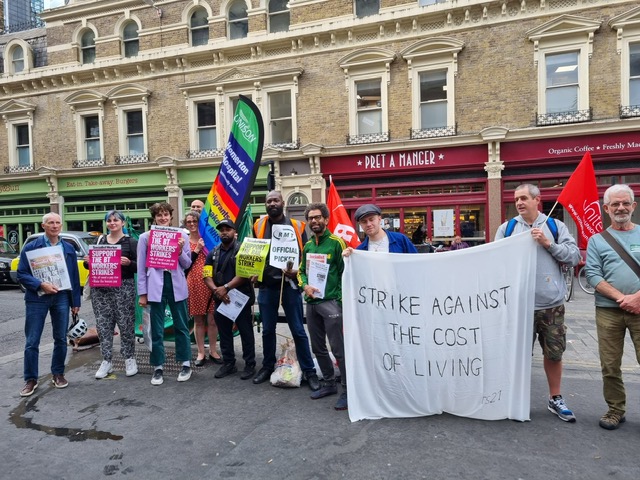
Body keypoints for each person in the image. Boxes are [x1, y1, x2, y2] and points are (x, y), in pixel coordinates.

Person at [495, 183, 580, 422]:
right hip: (518, 305)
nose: (519, 203)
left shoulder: (554, 225)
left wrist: (548, 244)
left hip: (550, 305)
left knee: (554, 354)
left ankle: (555, 398)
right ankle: (514, 397)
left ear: (537, 200)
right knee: (516, 354)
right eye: (516, 199)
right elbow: (495, 261)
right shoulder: (507, 228)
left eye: (524, 198)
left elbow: (574, 257)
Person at [252, 191, 320, 391]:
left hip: (290, 286)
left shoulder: (298, 226)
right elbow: (255, 251)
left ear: (282, 203)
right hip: (266, 287)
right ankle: (266, 366)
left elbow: (304, 256)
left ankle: (309, 371)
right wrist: (253, 273)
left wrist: (296, 273)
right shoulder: (258, 225)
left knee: (298, 330)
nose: (272, 203)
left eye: (275, 200)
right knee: (266, 331)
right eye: (268, 201)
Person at [585, 184, 640, 430]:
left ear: (633, 206)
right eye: (615, 204)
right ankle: (615, 410)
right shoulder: (597, 241)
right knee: (610, 365)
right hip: (609, 311)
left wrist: (637, 298)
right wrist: (623, 298)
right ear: (606, 209)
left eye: (625, 203)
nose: (621, 208)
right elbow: (593, 275)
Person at [17, 212, 81, 396]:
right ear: (43, 226)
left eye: (58, 222)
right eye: (51, 222)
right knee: (32, 341)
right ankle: (30, 379)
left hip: (61, 297)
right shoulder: (31, 247)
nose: (55, 225)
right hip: (37, 298)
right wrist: (40, 285)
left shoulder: (67, 248)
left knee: (60, 338)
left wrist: (75, 301)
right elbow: (21, 274)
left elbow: (74, 277)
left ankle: (58, 374)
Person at [298, 203, 348, 409]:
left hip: (331, 304)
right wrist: (305, 286)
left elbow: (348, 274)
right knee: (317, 348)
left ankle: (347, 390)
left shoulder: (337, 243)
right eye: (310, 218)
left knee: (338, 349)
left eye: (318, 217)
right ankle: (329, 383)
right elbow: (301, 271)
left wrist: (341, 302)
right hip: (311, 303)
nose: (314, 221)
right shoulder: (308, 246)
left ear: (326, 219)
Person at [137, 202, 193, 386]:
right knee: (156, 329)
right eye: (159, 215)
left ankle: (185, 363)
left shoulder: (181, 235)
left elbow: (187, 264)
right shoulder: (145, 238)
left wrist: (179, 251)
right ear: (154, 217)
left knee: (182, 326)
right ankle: (158, 367)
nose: (163, 218)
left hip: (176, 284)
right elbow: (141, 266)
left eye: (166, 215)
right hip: (155, 286)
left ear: (170, 216)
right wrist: (142, 293)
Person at [87, 210, 138, 379]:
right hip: (101, 288)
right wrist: (88, 263)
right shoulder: (100, 240)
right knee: (103, 325)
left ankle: (129, 358)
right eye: (109, 220)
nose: (112, 223)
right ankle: (107, 359)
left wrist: (129, 263)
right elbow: (92, 265)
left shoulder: (131, 242)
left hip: (124, 287)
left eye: (116, 220)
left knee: (126, 323)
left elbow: (140, 266)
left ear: (123, 223)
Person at [203, 219, 256, 380]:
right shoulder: (213, 252)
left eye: (228, 229)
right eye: (222, 230)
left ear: (235, 232)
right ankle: (229, 363)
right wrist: (217, 290)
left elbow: (245, 274)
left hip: (241, 297)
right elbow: (206, 275)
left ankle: (250, 364)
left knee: (246, 333)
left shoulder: (243, 250)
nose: (224, 232)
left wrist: (226, 287)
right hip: (221, 299)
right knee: (224, 333)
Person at [184, 210, 221, 367]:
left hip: (211, 282)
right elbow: (184, 264)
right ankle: (200, 352)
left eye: (195, 221)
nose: (192, 224)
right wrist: (196, 249)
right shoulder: (184, 241)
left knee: (213, 320)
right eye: (189, 222)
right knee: (198, 320)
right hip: (194, 282)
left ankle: (213, 350)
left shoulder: (209, 239)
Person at [344, 204, 418, 255]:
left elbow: (415, 262)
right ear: (360, 224)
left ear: (379, 219)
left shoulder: (400, 240)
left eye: (371, 219)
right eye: (364, 222)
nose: (368, 224)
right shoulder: (360, 250)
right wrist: (348, 258)